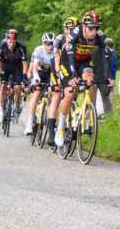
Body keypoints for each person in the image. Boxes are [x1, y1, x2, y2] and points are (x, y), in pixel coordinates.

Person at [55, 11, 112, 147]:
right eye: (91, 28)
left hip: (83, 62)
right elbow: (69, 56)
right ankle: (60, 128)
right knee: (70, 92)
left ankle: (86, 114)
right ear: (84, 27)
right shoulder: (76, 33)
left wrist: (108, 76)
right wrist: (74, 76)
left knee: (91, 82)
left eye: (96, 28)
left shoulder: (99, 37)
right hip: (67, 63)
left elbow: (104, 58)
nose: (94, 31)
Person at [46, 16, 78, 146]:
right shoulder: (59, 39)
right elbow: (57, 57)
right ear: (64, 29)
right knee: (57, 94)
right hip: (58, 67)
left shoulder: (80, 38)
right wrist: (59, 74)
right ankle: (51, 131)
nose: (70, 31)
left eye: (73, 29)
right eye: (68, 29)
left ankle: (73, 122)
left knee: (72, 93)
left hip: (73, 67)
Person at [0, 29, 28, 124]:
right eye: (9, 40)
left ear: (16, 40)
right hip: (5, 67)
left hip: (17, 68)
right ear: (6, 39)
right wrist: (0, 74)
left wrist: (24, 76)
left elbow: (25, 64)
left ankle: (16, 106)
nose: (11, 43)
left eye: (13, 41)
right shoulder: (2, 46)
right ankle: (0, 110)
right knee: (3, 86)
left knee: (18, 87)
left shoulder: (21, 47)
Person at [24, 32, 55, 135]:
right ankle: (30, 121)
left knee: (53, 95)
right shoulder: (39, 50)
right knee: (37, 93)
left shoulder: (56, 51)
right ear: (43, 43)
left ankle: (50, 119)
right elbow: (34, 66)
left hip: (50, 73)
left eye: (52, 43)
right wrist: (35, 77)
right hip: (39, 72)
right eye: (47, 43)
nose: (50, 46)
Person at [97, 37, 117, 116]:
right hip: (111, 75)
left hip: (106, 75)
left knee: (104, 94)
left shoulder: (107, 52)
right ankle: (109, 111)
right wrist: (113, 77)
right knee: (110, 93)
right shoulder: (114, 52)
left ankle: (105, 112)